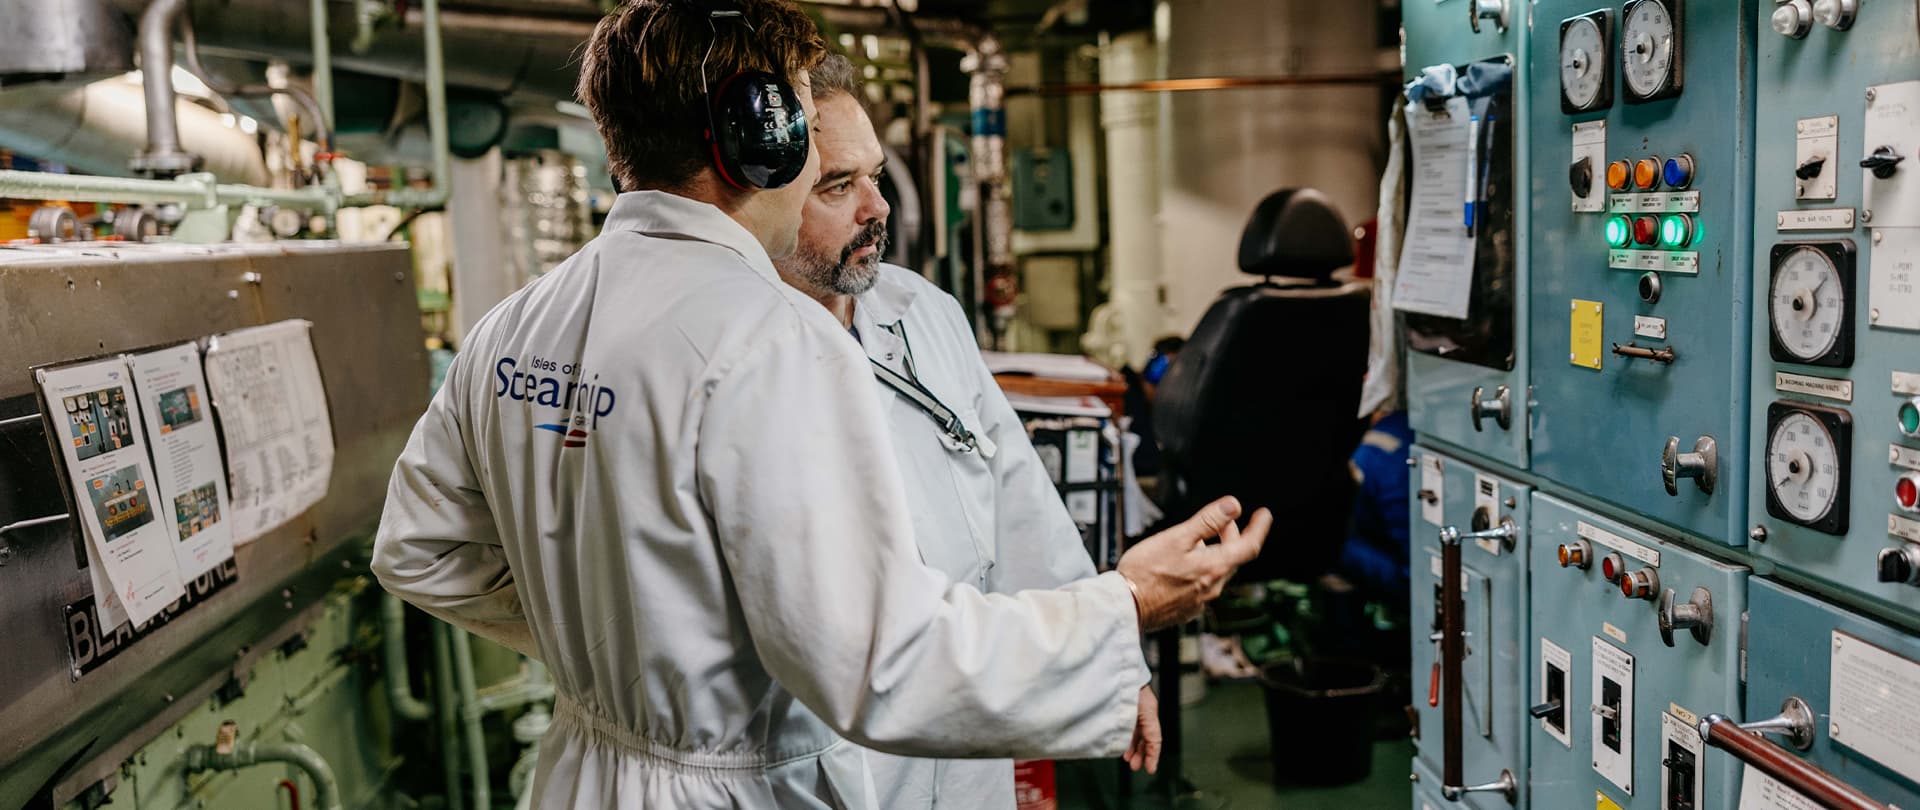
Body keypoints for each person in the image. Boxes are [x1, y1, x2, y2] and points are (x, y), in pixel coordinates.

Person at [370, 2, 1273, 808]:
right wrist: (1127, 607)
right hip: (754, 780)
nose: (843, 189)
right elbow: (884, 668)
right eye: (814, 153)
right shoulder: (770, 341)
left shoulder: (514, 326)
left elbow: (418, 546)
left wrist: (621, 652)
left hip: (592, 772)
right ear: (756, 140)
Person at [769, 54, 1155, 807]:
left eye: (875, 177)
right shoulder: (745, 360)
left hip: (965, 743)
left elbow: (1022, 505)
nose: (876, 207)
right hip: (834, 755)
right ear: (764, 202)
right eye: (838, 186)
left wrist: (1113, 665)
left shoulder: (923, 312)